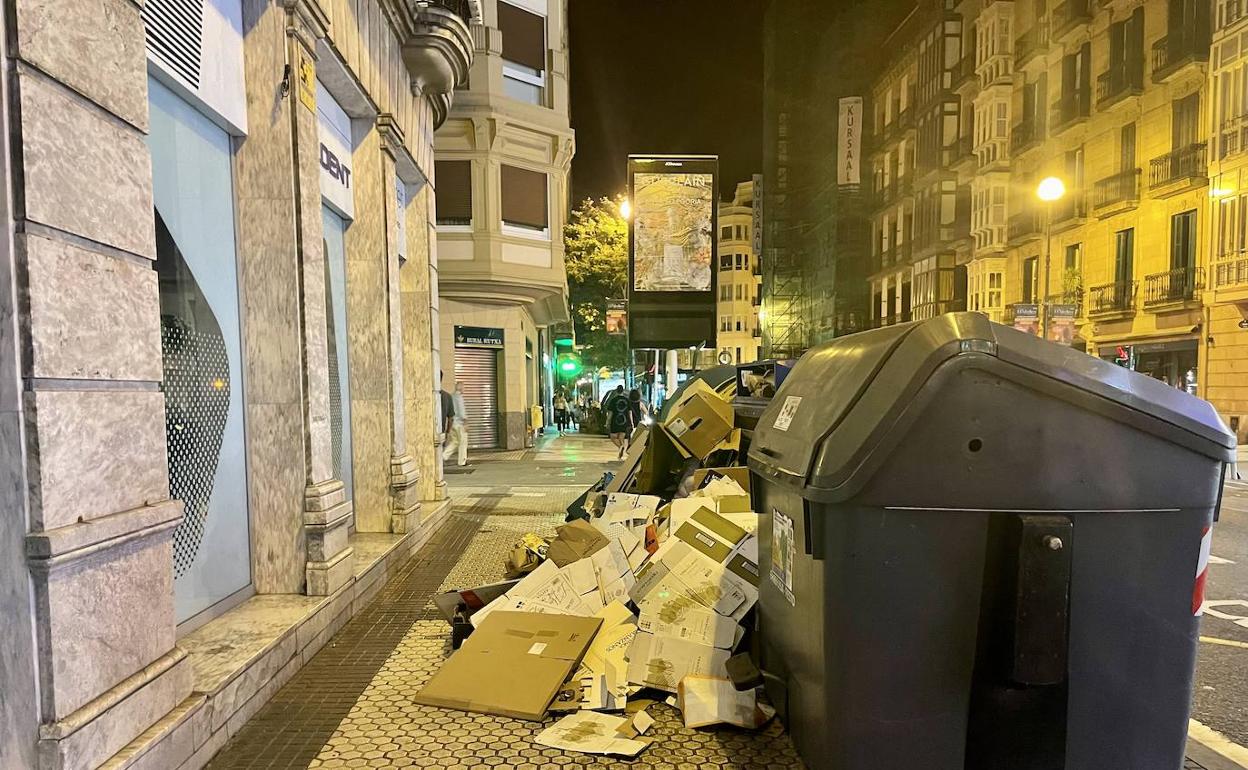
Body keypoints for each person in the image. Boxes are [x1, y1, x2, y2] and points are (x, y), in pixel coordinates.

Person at [441, 381, 469, 467]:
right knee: (463, 443)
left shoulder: (451, 396)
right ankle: (462, 461)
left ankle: (443, 456)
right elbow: (461, 412)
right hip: (460, 424)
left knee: (455, 442)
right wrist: (466, 423)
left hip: (453, 423)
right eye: (463, 387)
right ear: (460, 388)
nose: (464, 389)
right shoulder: (459, 397)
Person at [604, 385, 632, 459]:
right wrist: (631, 422)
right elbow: (630, 412)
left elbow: (610, 413)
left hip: (615, 421)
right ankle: (621, 448)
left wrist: (607, 422)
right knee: (621, 437)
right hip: (624, 421)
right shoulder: (627, 400)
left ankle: (620, 447)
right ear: (623, 391)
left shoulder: (613, 400)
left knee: (613, 437)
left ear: (617, 391)